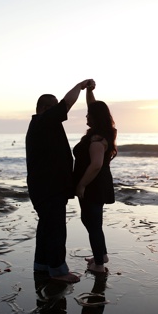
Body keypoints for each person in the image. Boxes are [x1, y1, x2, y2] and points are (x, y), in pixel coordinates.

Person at [26, 79, 95, 283]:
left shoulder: (42, 125)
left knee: (47, 227)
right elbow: (67, 103)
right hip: (48, 188)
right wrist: (80, 86)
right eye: (55, 106)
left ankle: (42, 265)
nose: (60, 110)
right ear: (46, 108)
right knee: (56, 228)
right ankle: (57, 270)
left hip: (44, 186)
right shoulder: (43, 121)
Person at [73, 83, 117, 273]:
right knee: (91, 221)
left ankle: (99, 265)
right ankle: (102, 254)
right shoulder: (103, 131)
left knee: (92, 221)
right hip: (97, 183)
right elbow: (93, 106)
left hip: (93, 184)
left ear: (95, 117)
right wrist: (89, 91)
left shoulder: (97, 139)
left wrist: (82, 185)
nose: (86, 116)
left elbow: (96, 165)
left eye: (89, 114)